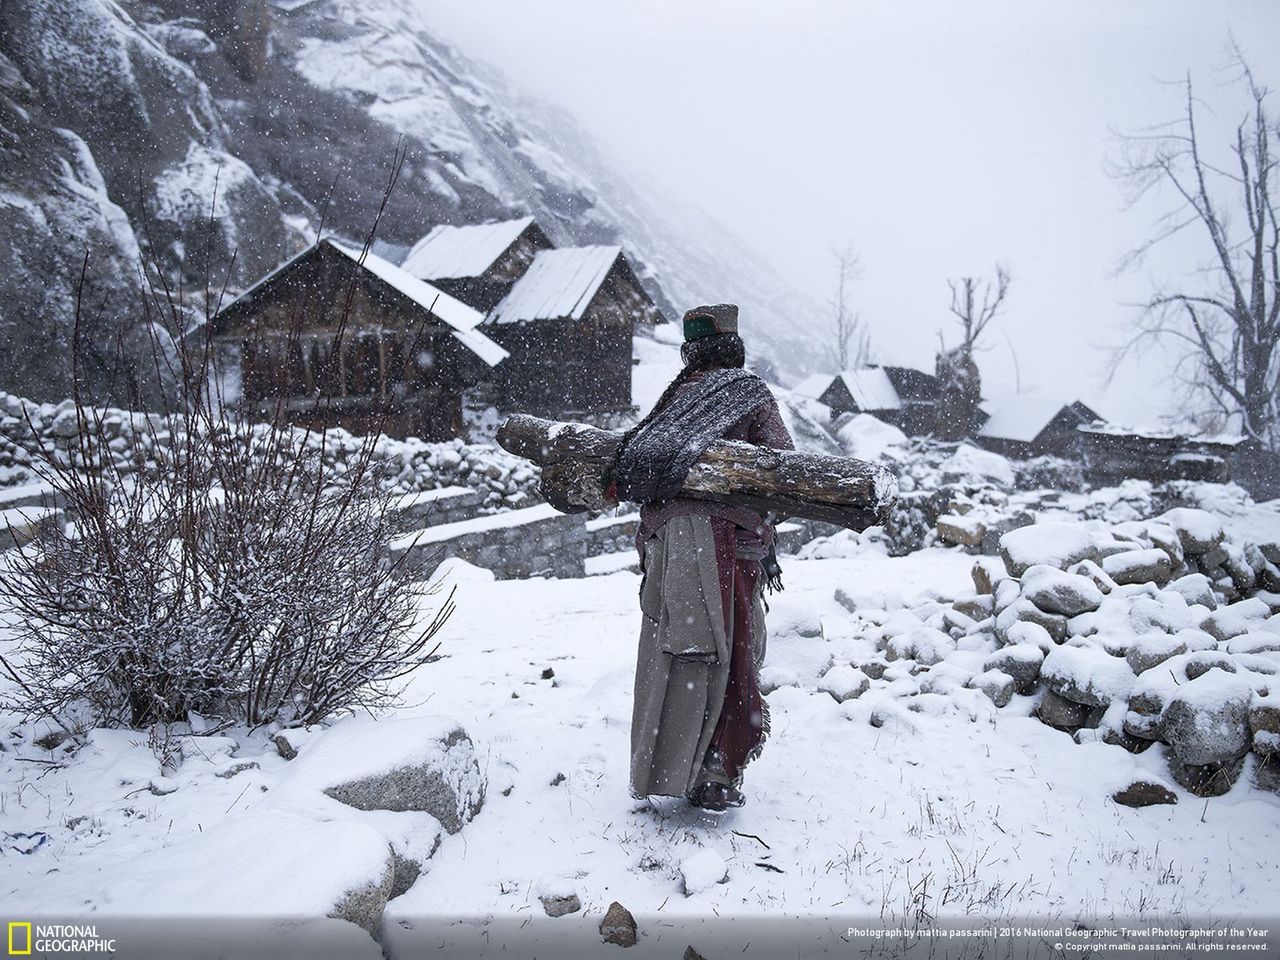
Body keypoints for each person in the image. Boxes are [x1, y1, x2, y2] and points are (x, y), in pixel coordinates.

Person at [603, 303, 794, 811]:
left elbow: (639, 469)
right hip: (728, 549)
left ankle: (669, 767)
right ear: (735, 347)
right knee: (730, 656)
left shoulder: (675, 399)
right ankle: (716, 772)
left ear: (691, 352)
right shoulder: (749, 395)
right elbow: (783, 471)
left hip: (670, 550)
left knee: (675, 653)